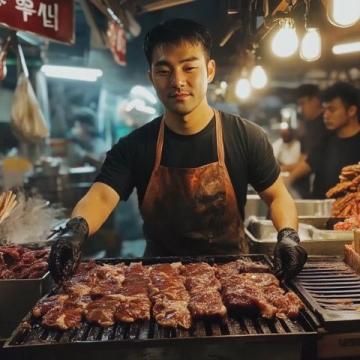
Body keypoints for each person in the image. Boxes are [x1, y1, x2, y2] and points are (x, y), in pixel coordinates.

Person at [48, 18, 307, 283]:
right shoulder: (135, 145)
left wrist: (288, 236)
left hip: (233, 280)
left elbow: (277, 196)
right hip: (159, 283)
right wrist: (74, 231)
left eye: (189, 68)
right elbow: (102, 196)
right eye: (164, 71)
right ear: (151, 76)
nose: (178, 81)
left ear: (210, 71)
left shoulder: (246, 136)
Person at [288, 82, 360, 198]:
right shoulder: (326, 141)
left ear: (351, 111)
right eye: (325, 109)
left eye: (332, 110)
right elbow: (308, 163)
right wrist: (286, 181)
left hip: (353, 213)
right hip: (321, 212)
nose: (325, 115)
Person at [291, 84, 329, 198]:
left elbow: (313, 159)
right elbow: (303, 159)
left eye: (303, 103)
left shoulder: (326, 124)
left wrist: (289, 178)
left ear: (316, 100)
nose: (301, 108)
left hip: (327, 188)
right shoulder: (307, 126)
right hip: (313, 189)